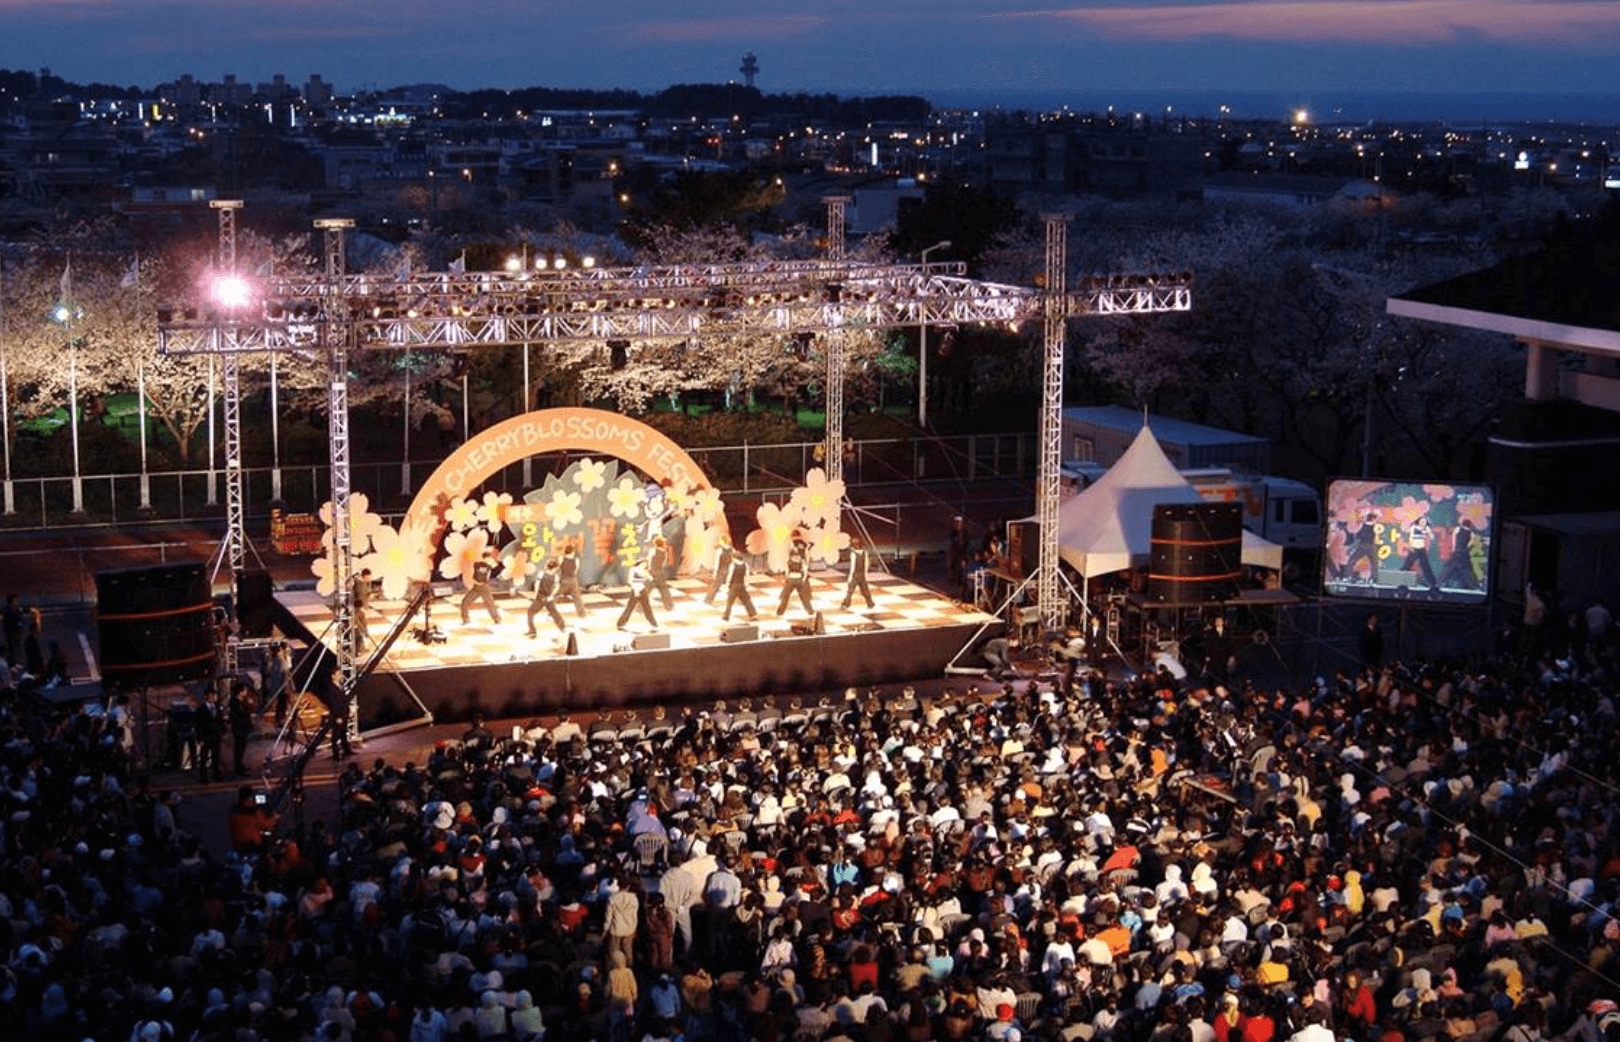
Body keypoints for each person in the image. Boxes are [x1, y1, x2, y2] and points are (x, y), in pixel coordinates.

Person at [526, 558, 568, 638]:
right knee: (554, 613)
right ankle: (562, 628)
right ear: (555, 568)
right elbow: (556, 587)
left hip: (540, 597)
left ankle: (532, 631)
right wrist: (551, 596)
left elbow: (537, 585)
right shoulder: (555, 577)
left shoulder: (541, 574)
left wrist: (535, 595)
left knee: (530, 613)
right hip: (548, 598)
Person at [776, 532, 814, 617]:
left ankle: (780, 612)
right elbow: (805, 570)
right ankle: (810, 611)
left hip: (792, 580)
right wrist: (803, 579)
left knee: (785, 597)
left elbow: (786, 571)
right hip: (799, 579)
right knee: (804, 597)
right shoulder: (801, 561)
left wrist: (787, 578)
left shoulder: (790, 560)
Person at [460, 548, 502, 625]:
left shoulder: (488, 566)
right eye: (489, 558)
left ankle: (497, 619)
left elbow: (487, 576)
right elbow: (472, 574)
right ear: (485, 558)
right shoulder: (477, 564)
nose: (490, 560)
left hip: (484, 587)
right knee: (465, 602)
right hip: (476, 587)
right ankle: (466, 619)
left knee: (490, 604)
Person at [617, 557, 659, 630]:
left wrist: (652, 577)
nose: (644, 565)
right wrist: (636, 590)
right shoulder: (633, 570)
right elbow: (630, 581)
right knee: (629, 608)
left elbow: (650, 577)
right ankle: (620, 623)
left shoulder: (644, 571)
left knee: (647, 608)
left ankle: (653, 623)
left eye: (645, 564)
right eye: (643, 564)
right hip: (635, 591)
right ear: (640, 563)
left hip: (642, 590)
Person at [1438, 517, 1479, 590]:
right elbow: (1470, 544)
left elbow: (1454, 539)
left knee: (1448, 569)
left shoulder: (1458, 529)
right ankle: (1473, 587)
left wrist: (1454, 549)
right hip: (1464, 553)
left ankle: (1438, 584)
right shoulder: (1471, 534)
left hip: (1457, 552)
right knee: (1466, 571)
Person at [1403, 515, 1439, 591]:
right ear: (1418, 521)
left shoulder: (1425, 529)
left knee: (1426, 566)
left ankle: (1433, 584)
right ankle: (1401, 581)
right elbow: (1411, 537)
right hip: (1414, 549)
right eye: (1422, 521)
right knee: (1407, 565)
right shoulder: (1414, 527)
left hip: (1421, 549)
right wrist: (1411, 546)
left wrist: (1428, 531)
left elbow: (1432, 537)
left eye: (1424, 522)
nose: (1423, 523)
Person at [840, 534, 875, 610]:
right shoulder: (864, 552)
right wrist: (865, 574)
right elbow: (866, 563)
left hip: (855, 575)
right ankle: (870, 603)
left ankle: (846, 604)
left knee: (850, 590)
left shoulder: (853, 554)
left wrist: (849, 577)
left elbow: (852, 567)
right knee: (865, 590)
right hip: (862, 574)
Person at [722, 553, 758, 623]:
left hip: (734, 586)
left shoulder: (732, 565)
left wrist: (727, 585)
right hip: (742, 585)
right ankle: (753, 615)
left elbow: (730, 576)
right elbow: (746, 576)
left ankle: (726, 615)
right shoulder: (745, 565)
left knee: (730, 601)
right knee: (747, 600)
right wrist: (746, 585)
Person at [228, 681, 255, 776]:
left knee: (242, 746)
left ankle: (240, 764)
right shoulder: (235, 701)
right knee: (239, 746)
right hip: (239, 727)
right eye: (245, 690)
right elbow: (242, 713)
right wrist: (249, 705)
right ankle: (238, 766)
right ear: (240, 691)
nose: (246, 692)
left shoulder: (242, 700)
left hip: (244, 727)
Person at [557, 542, 587, 617]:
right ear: (573, 552)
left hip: (563, 580)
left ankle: (551, 612)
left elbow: (558, 567)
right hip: (573, 581)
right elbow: (575, 571)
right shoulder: (576, 560)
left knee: (554, 595)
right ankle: (582, 614)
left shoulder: (561, 558)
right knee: (577, 598)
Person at [705, 534, 735, 605]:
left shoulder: (731, 550)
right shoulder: (721, 550)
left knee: (731, 585)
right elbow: (717, 562)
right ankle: (708, 599)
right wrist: (715, 572)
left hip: (726, 570)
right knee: (716, 585)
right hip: (721, 571)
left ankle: (709, 599)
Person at [648, 537, 675, 612]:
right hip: (658, 574)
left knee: (648, 590)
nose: (666, 545)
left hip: (654, 574)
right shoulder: (660, 553)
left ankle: (640, 606)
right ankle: (669, 605)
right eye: (665, 543)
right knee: (664, 590)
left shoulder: (656, 552)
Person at [1, 593, 22, 665]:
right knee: (12, 650)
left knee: (16, 649)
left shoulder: (16, 610)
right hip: (11, 633)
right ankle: (13, 663)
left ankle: (16, 661)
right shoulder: (8, 611)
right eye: (15, 600)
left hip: (15, 633)